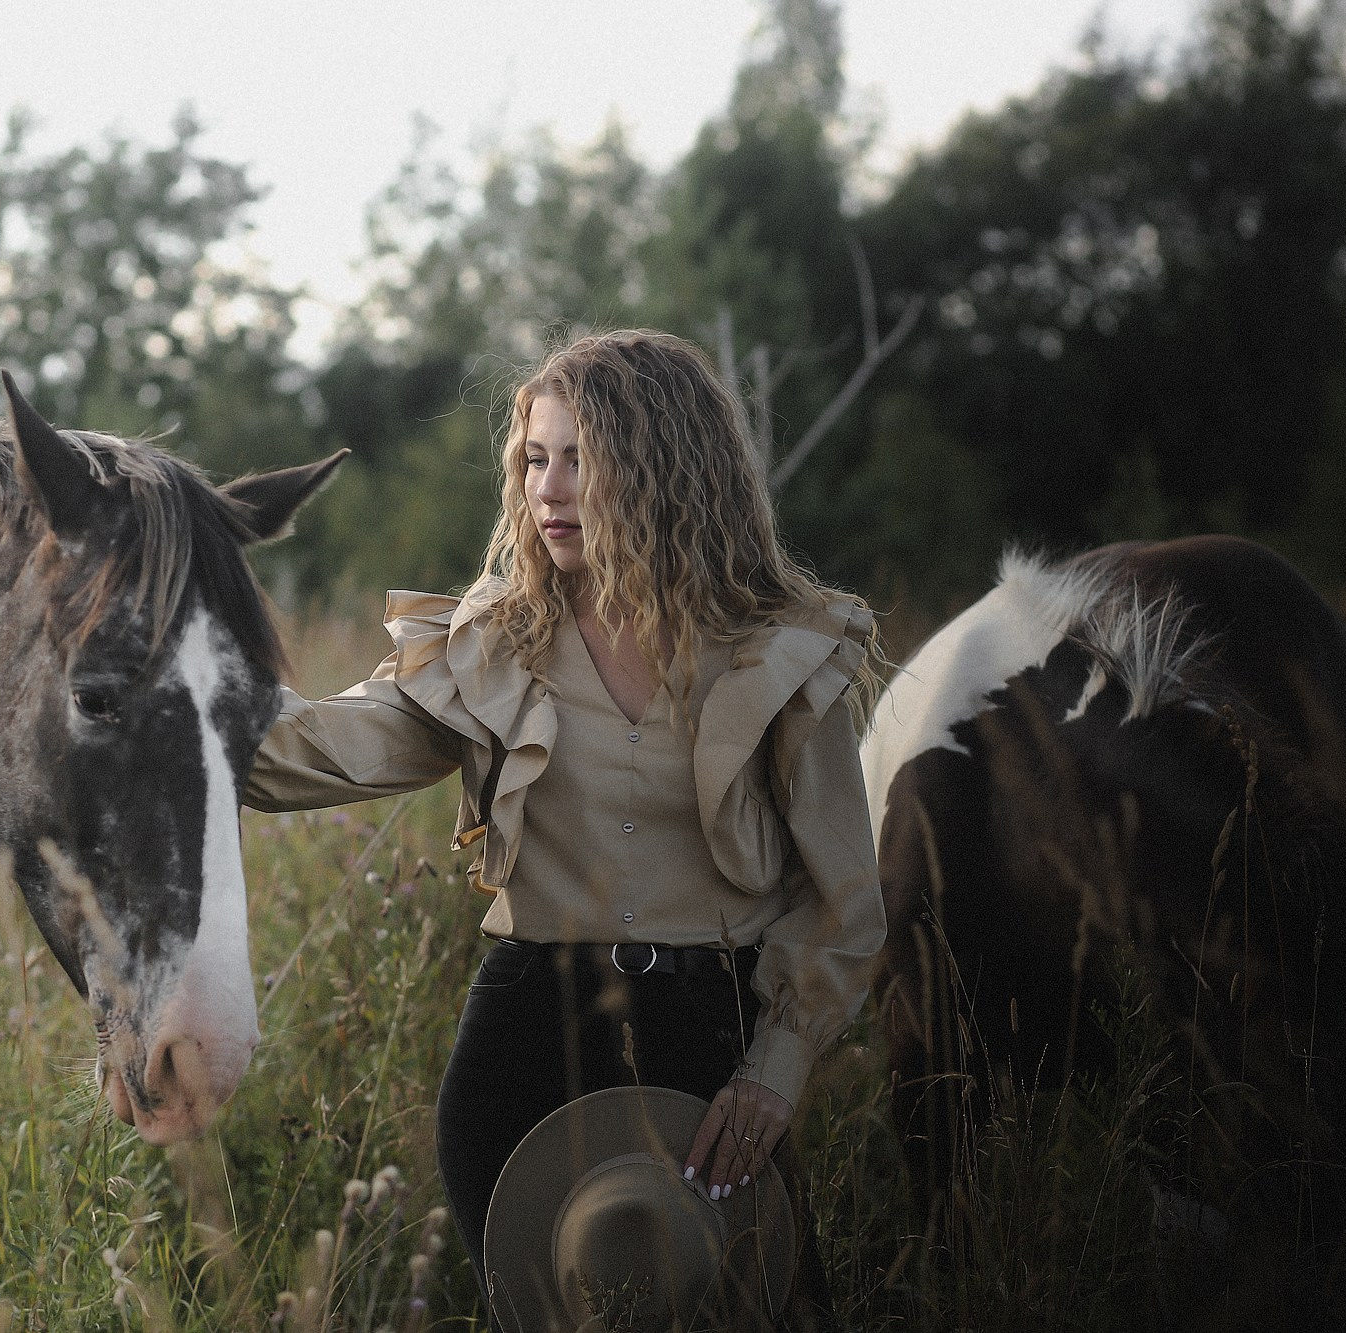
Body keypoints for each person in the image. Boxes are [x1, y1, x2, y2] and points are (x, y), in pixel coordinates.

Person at [243, 328, 885, 1312]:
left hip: (712, 1037)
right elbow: (341, 741)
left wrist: (775, 1070)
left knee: (758, 1304)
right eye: (534, 459)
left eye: (578, 459)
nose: (546, 489)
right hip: (523, 1036)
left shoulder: (781, 654)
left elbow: (841, 898)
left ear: (666, 467)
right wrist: (171, 729)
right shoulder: (496, 642)